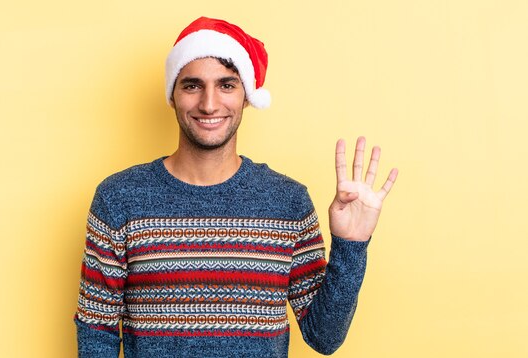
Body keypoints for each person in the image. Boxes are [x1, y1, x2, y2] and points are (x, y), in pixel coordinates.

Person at [74, 17, 398, 358]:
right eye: (192, 85)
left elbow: (324, 336)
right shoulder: (119, 198)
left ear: (246, 96)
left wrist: (351, 246)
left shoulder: (287, 202)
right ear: (172, 94)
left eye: (226, 85)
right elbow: (97, 333)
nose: (209, 104)